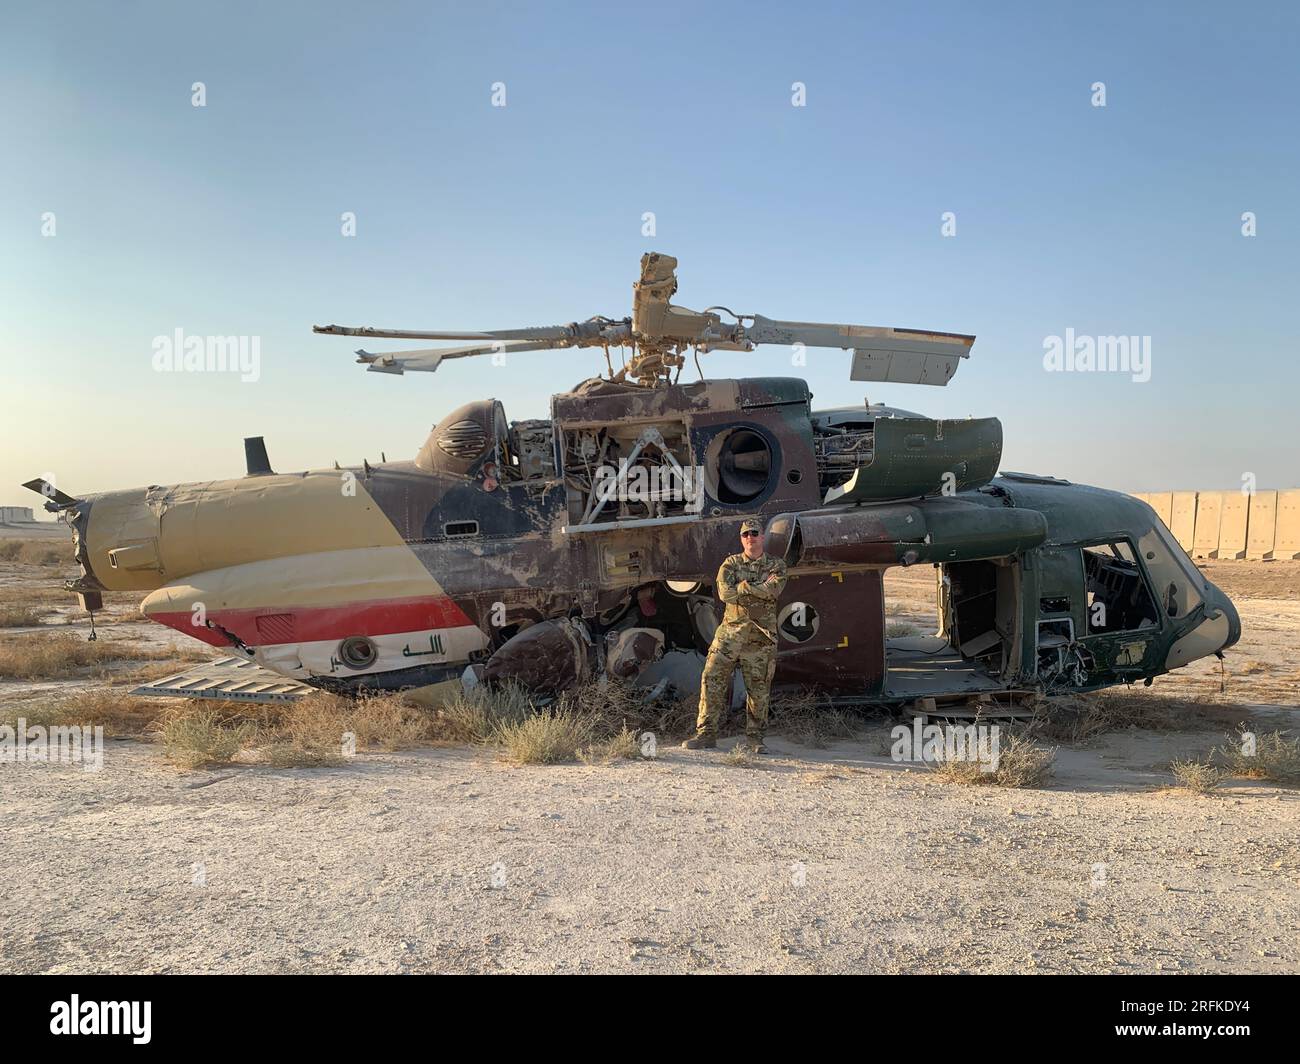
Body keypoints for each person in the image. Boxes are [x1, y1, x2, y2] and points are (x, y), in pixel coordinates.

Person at [683, 518, 787, 753]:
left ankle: (755, 741)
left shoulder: (776, 565)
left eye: (755, 533)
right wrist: (757, 587)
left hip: (760, 637)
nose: (750, 537)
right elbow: (725, 594)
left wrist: (742, 587)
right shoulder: (729, 564)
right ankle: (706, 735)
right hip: (730, 634)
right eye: (746, 534)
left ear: (762, 537)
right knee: (711, 679)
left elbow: (774, 590)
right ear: (742, 539)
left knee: (758, 690)